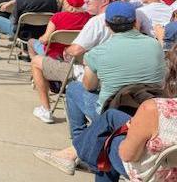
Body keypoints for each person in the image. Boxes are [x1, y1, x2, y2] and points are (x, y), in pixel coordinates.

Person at [34, 1, 166, 175]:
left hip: (114, 109)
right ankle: (83, 147)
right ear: (136, 22)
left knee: (74, 88)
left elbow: (89, 86)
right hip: (145, 110)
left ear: (106, 24)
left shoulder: (97, 53)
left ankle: (80, 145)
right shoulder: (155, 46)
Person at [72, 46, 177, 181]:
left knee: (108, 143)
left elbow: (128, 155)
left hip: (158, 174)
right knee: (112, 116)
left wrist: (129, 134)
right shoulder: (152, 44)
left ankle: (80, 153)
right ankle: (79, 151)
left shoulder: (154, 108)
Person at [28, 0, 91, 123]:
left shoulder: (58, 17)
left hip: (56, 57)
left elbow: (44, 40)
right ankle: (41, 79)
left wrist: (42, 38)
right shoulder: (89, 19)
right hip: (79, 61)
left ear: (67, 2)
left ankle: (45, 105)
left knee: (32, 43)